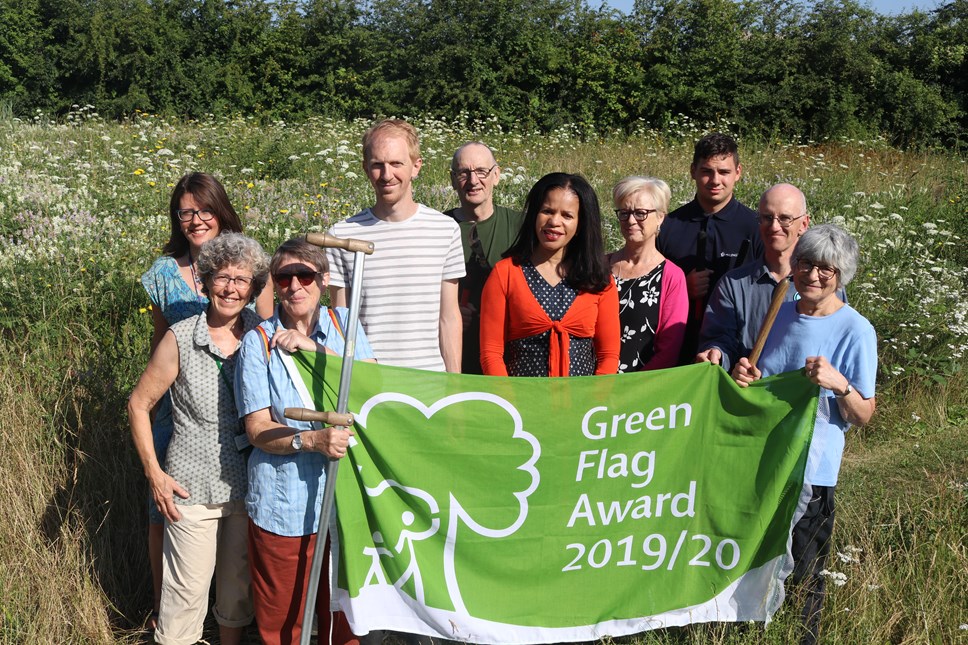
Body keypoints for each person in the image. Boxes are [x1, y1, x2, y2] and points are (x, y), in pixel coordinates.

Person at [731, 224, 877, 645]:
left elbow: (865, 413)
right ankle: (751, 633)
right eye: (805, 264)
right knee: (756, 560)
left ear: (841, 275)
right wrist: (747, 374)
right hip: (763, 459)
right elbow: (763, 379)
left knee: (806, 571)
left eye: (826, 269)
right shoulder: (779, 312)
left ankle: (802, 638)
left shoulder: (856, 329)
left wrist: (839, 384)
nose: (812, 276)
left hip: (813, 468)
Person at [139, 172, 272, 630]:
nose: (194, 219)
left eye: (203, 209)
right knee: (175, 547)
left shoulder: (256, 319)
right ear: (206, 281)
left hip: (244, 454)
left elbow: (274, 357)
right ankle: (168, 625)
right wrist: (155, 467)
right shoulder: (169, 283)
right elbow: (148, 378)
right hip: (182, 431)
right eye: (185, 212)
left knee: (236, 578)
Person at [236, 238, 375, 645]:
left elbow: (372, 390)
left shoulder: (346, 327)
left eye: (305, 275)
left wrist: (316, 349)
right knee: (282, 622)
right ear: (275, 285)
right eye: (284, 277)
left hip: (343, 500)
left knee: (343, 623)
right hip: (284, 505)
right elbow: (258, 428)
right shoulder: (257, 343)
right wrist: (311, 440)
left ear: (324, 280)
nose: (295, 285)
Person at [327, 119, 464, 372]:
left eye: (396, 164)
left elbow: (449, 318)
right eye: (378, 165)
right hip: (369, 383)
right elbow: (342, 321)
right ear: (366, 169)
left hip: (430, 382)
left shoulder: (445, 230)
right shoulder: (342, 235)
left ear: (416, 166)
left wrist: (454, 383)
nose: (387, 175)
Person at [480, 172, 620, 377]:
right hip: (521, 403)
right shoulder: (506, 273)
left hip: (582, 404)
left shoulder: (599, 280)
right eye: (547, 211)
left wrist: (595, 400)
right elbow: (491, 353)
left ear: (581, 224)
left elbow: (608, 355)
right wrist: (507, 402)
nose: (554, 221)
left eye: (567, 215)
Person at [696, 183, 844, 372]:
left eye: (785, 219)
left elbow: (839, 339)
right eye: (767, 218)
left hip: (806, 394)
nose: (774, 226)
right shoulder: (733, 284)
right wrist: (716, 354)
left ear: (804, 224)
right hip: (749, 393)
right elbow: (719, 339)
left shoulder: (825, 283)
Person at [656, 133, 763, 363]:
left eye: (724, 172)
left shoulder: (756, 228)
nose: (715, 180)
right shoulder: (667, 226)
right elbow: (648, 288)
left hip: (739, 354)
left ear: (738, 173)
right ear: (693, 171)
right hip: (678, 350)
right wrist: (682, 288)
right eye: (707, 171)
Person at [444, 142, 524, 374]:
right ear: (452, 179)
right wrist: (449, 312)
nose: (473, 180)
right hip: (453, 362)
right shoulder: (437, 229)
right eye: (463, 173)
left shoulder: (521, 227)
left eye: (481, 172)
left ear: (496, 175)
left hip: (510, 362)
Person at [606, 176, 687, 372]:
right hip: (592, 385)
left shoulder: (672, 277)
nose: (631, 220)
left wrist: (635, 388)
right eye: (624, 213)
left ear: (660, 216)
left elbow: (669, 350)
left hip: (641, 391)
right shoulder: (601, 265)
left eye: (640, 213)